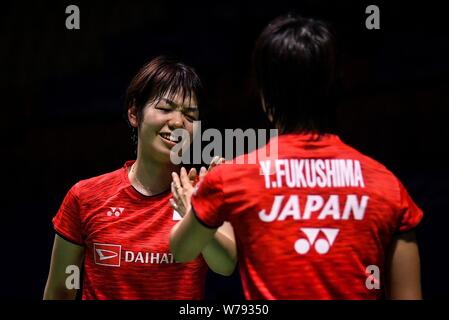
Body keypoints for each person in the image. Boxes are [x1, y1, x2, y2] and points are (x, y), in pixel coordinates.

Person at [169, 14, 423, 299]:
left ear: (265, 95)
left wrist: (192, 201)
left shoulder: (231, 179)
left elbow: (182, 250)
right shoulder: (387, 187)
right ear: (337, 87)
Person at [44, 56, 237, 300]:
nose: (178, 122)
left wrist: (196, 212)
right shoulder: (85, 197)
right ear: (134, 113)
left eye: (190, 115)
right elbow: (59, 291)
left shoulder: (208, 190)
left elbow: (225, 265)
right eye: (165, 109)